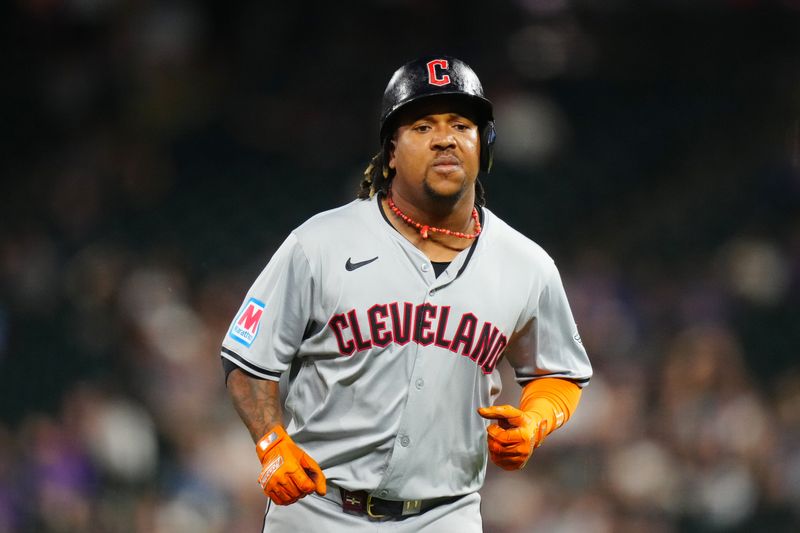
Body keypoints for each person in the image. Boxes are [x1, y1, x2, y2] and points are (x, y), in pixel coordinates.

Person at [220, 55, 592, 532]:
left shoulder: (527, 265)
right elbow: (246, 362)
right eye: (421, 126)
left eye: (462, 124)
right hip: (318, 510)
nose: (444, 138)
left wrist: (534, 421)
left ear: (484, 147)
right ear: (391, 151)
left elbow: (560, 372)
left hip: (444, 514)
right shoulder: (319, 243)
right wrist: (272, 444)